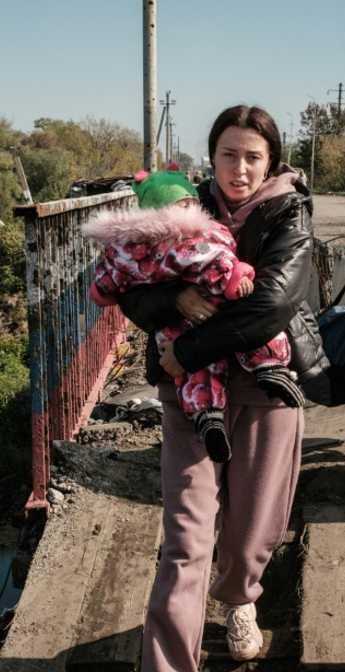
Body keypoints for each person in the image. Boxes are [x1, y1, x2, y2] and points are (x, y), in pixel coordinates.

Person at [116, 105, 329, 672]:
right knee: (185, 539)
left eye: (253, 157)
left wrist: (185, 348)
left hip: (266, 387)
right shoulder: (179, 206)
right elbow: (126, 281)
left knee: (254, 525)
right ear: (211, 158)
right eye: (229, 154)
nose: (239, 169)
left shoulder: (289, 213)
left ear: (272, 162)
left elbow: (272, 304)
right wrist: (171, 301)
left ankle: (240, 601)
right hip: (189, 397)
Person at [84, 168, 302, 463]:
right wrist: (235, 277)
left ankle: (206, 415)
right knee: (253, 323)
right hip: (216, 308)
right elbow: (210, 259)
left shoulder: (123, 247)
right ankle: (269, 364)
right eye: (186, 203)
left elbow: (108, 281)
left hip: (173, 329)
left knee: (196, 371)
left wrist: (101, 291)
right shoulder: (192, 233)